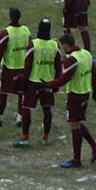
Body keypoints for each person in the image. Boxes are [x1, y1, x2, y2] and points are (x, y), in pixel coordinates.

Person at [58, 37, 96, 168]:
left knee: (74, 125)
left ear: (66, 45)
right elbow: (94, 73)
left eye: (62, 45)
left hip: (75, 94)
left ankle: (76, 159)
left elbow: (63, 79)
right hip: (85, 93)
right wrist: (95, 90)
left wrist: (48, 85)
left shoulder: (72, 59)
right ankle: (95, 147)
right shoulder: (86, 54)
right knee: (77, 122)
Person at [0, 6, 33, 127]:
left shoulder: (6, 32)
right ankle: (20, 118)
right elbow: (31, 47)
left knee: (3, 93)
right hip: (23, 67)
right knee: (22, 94)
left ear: (10, 16)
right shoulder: (26, 30)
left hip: (10, 67)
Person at [23, 18, 61, 147]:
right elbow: (58, 67)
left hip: (33, 81)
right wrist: (56, 82)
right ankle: (45, 136)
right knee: (47, 109)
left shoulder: (33, 44)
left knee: (26, 108)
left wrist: (24, 82)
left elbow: (27, 65)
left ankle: (25, 136)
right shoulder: (54, 45)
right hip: (48, 82)